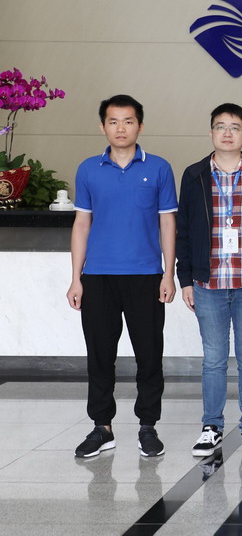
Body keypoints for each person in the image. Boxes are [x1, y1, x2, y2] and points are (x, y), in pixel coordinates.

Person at [66, 95, 177, 458]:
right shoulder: (88, 169)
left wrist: (169, 273)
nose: (121, 128)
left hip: (146, 276)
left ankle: (148, 426)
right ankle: (102, 427)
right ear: (103, 127)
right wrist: (76, 277)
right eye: (113, 121)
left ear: (139, 126)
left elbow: (167, 223)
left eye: (128, 121)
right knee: (100, 355)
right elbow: (82, 224)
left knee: (149, 354)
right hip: (98, 277)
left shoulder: (158, 168)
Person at [176, 103, 242, 457]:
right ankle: (212, 426)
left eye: (235, 127)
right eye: (220, 126)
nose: (227, 133)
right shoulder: (194, 175)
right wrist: (185, 278)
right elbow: (184, 230)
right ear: (211, 133)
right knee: (214, 359)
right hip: (208, 284)